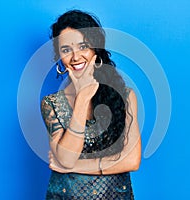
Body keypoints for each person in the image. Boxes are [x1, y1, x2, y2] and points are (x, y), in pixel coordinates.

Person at [41, 9, 141, 200]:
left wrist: (76, 167)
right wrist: (82, 98)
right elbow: (66, 158)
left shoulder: (125, 95)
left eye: (82, 46)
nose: (75, 57)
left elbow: (132, 160)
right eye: (66, 50)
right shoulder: (51, 104)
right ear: (59, 57)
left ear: (96, 49)